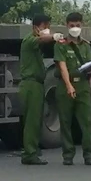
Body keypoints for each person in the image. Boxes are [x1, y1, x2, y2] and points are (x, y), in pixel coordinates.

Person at [53, 12, 91, 166]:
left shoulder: (85, 46)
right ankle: (68, 154)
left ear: (81, 25)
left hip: (83, 85)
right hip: (66, 86)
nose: (75, 28)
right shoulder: (61, 45)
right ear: (67, 25)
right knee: (65, 121)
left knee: (86, 121)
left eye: (77, 25)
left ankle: (89, 154)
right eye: (72, 26)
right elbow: (62, 66)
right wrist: (69, 85)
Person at [18, 14, 58, 165]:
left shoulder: (35, 43)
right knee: (32, 121)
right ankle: (29, 153)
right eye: (45, 27)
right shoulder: (30, 40)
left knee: (36, 120)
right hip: (31, 84)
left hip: (36, 84)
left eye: (48, 27)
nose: (47, 30)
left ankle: (32, 149)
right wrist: (55, 36)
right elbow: (42, 39)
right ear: (36, 27)